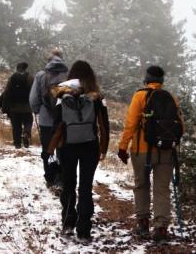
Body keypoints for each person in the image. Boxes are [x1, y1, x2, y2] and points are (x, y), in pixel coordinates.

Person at [117, 66, 185, 243]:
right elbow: (181, 127)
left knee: (142, 186)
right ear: (161, 81)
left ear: (146, 79)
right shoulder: (171, 98)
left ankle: (143, 224)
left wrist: (122, 147)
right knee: (162, 189)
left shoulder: (140, 96)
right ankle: (161, 229)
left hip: (142, 151)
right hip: (166, 152)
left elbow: (130, 124)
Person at [47, 61, 109, 240]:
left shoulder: (62, 93)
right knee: (85, 187)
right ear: (91, 75)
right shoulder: (97, 95)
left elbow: (58, 123)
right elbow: (104, 124)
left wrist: (51, 147)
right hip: (90, 146)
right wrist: (103, 147)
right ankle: (84, 230)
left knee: (68, 184)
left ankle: (67, 223)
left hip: (67, 146)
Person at [29, 49, 68, 189]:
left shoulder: (41, 75)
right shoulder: (68, 75)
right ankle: (62, 177)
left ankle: (50, 177)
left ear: (48, 60)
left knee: (48, 149)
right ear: (62, 58)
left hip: (46, 120)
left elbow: (33, 98)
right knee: (62, 148)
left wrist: (37, 110)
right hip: (64, 119)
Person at [0, 62, 34, 149]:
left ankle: (17, 144)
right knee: (28, 122)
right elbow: (34, 92)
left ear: (17, 68)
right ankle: (26, 133)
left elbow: (7, 92)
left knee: (16, 126)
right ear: (25, 68)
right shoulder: (30, 78)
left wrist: (4, 107)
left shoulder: (12, 78)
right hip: (27, 106)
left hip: (14, 107)